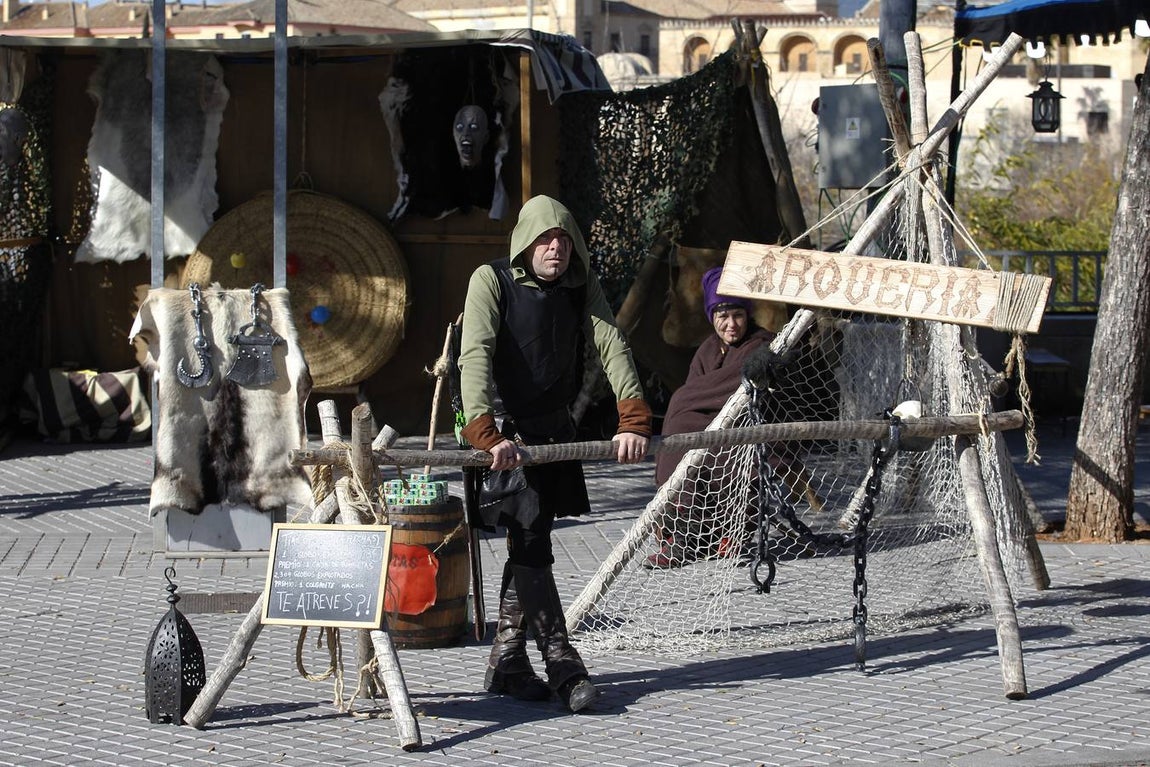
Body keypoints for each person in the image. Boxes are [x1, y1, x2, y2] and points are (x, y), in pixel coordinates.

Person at [458, 194, 652, 713]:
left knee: (533, 535)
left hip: (552, 431)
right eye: (545, 239)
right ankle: (562, 662)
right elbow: (473, 354)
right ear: (526, 243)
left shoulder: (579, 285)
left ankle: (508, 661)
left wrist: (632, 416)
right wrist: (484, 431)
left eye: (564, 240)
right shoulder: (490, 280)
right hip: (502, 431)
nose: (556, 249)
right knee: (532, 539)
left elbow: (611, 341)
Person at [647, 266, 775, 568]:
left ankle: (729, 532)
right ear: (711, 317)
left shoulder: (760, 348)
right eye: (722, 316)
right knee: (681, 441)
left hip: (746, 434)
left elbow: (719, 396)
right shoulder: (706, 351)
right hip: (706, 435)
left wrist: (685, 402)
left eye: (738, 315)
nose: (731, 325)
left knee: (699, 437)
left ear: (748, 314)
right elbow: (694, 401)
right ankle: (678, 536)